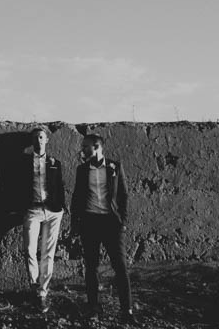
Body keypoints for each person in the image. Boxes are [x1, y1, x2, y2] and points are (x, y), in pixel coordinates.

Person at [70, 133, 138, 325]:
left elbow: (124, 195)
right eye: (83, 146)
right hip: (90, 223)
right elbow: (76, 197)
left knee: (120, 267)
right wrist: (75, 224)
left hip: (111, 224)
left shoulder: (115, 166)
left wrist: (122, 221)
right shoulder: (82, 170)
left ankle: (127, 310)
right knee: (91, 268)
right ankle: (93, 308)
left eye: (86, 147)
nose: (82, 150)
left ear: (97, 147)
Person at [19, 128, 66, 313]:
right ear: (31, 141)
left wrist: (61, 206)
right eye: (35, 137)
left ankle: (42, 293)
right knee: (30, 250)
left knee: (48, 252)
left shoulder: (55, 163)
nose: (38, 140)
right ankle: (34, 284)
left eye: (41, 137)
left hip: (53, 211)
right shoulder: (23, 163)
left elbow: (60, 185)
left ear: (47, 140)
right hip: (32, 209)